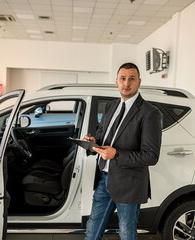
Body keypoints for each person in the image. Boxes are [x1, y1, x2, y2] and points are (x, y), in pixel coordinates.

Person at [83, 62, 162, 240]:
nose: (127, 83)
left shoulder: (150, 113)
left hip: (129, 184)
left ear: (139, 82)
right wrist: (94, 141)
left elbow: (151, 156)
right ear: (116, 81)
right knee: (92, 228)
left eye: (131, 79)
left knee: (126, 233)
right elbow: (103, 136)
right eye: (123, 79)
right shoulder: (110, 107)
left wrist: (116, 154)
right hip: (104, 179)